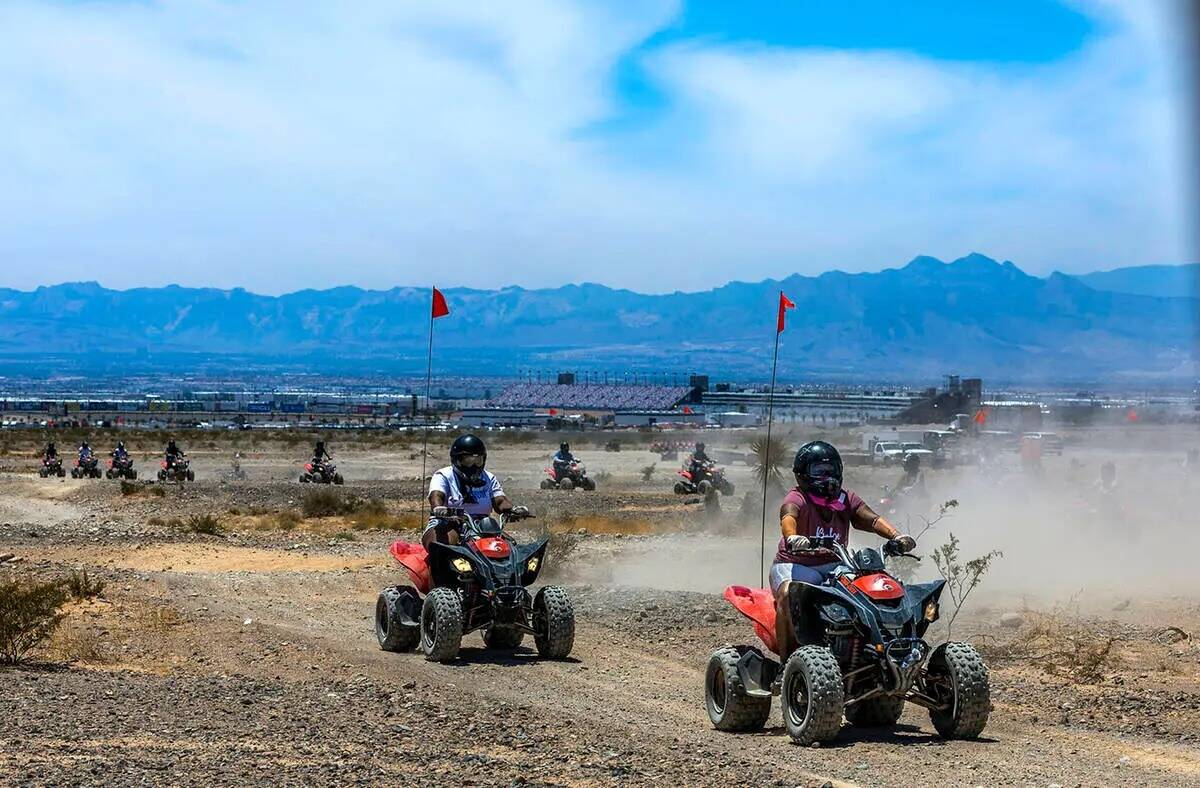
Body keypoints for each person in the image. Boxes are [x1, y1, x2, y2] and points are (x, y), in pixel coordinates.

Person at [771, 441, 915, 659]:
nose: (827, 476)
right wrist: (792, 537)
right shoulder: (798, 497)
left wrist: (897, 536)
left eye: (831, 470)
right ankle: (787, 662)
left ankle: (872, 653)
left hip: (836, 563)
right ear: (803, 474)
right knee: (787, 593)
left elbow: (873, 519)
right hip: (796, 564)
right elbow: (789, 515)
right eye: (818, 471)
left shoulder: (845, 499)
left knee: (866, 591)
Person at [424, 434, 526, 549]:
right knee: (441, 546)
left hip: (482, 525)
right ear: (457, 460)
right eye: (469, 461)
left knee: (509, 547)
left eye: (478, 461)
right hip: (449, 523)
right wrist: (439, 509)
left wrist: (514, 509)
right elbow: (436, 495)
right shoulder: (444, 475)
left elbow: (500, 501)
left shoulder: (488, 477)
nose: (474, 466)